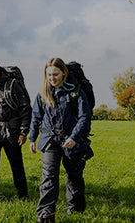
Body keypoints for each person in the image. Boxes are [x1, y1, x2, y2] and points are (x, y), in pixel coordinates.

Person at [29, 58, 92, 223]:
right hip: (49, 140)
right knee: (49, 178)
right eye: (49, 75)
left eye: (55, 74)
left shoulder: (76, 91)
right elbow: (36, 116)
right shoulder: (43, 92)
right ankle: (45, 215)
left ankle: (76, 209)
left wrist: (74, 137)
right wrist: (32, 138)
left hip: (72, 141)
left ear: (64, 73)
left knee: (74, 176)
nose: (52, 78)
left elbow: (84, 117)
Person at [0, 60, 31, 204]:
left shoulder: (13, 85)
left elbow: (25, 108)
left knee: (16, 164)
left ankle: (22, 195)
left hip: (12, 131)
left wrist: (23, 132)